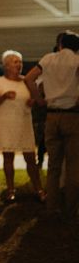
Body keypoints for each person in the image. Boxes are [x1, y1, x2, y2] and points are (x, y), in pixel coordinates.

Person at [25, 31, 79, 220]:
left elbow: (29, 78)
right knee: (73, 166)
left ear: (61, 44)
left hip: (51, 116)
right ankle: (70, 210)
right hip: (72, 116)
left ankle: (51, 207)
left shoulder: (48, 59)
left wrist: (39, 99)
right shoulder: (77, 61)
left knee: (53, 165)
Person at [0, 50, 45, 203]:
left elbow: (36, 97)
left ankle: (39, 189)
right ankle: (10, 190)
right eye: (15, 62)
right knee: (8, 157)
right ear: (6, 66)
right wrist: (4, 96)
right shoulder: (0, 82)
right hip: (6, 124)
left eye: (20, 62)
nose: (19, 65)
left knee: (30, 158)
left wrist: (32, 102)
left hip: (23, 124)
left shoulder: (26, 81)